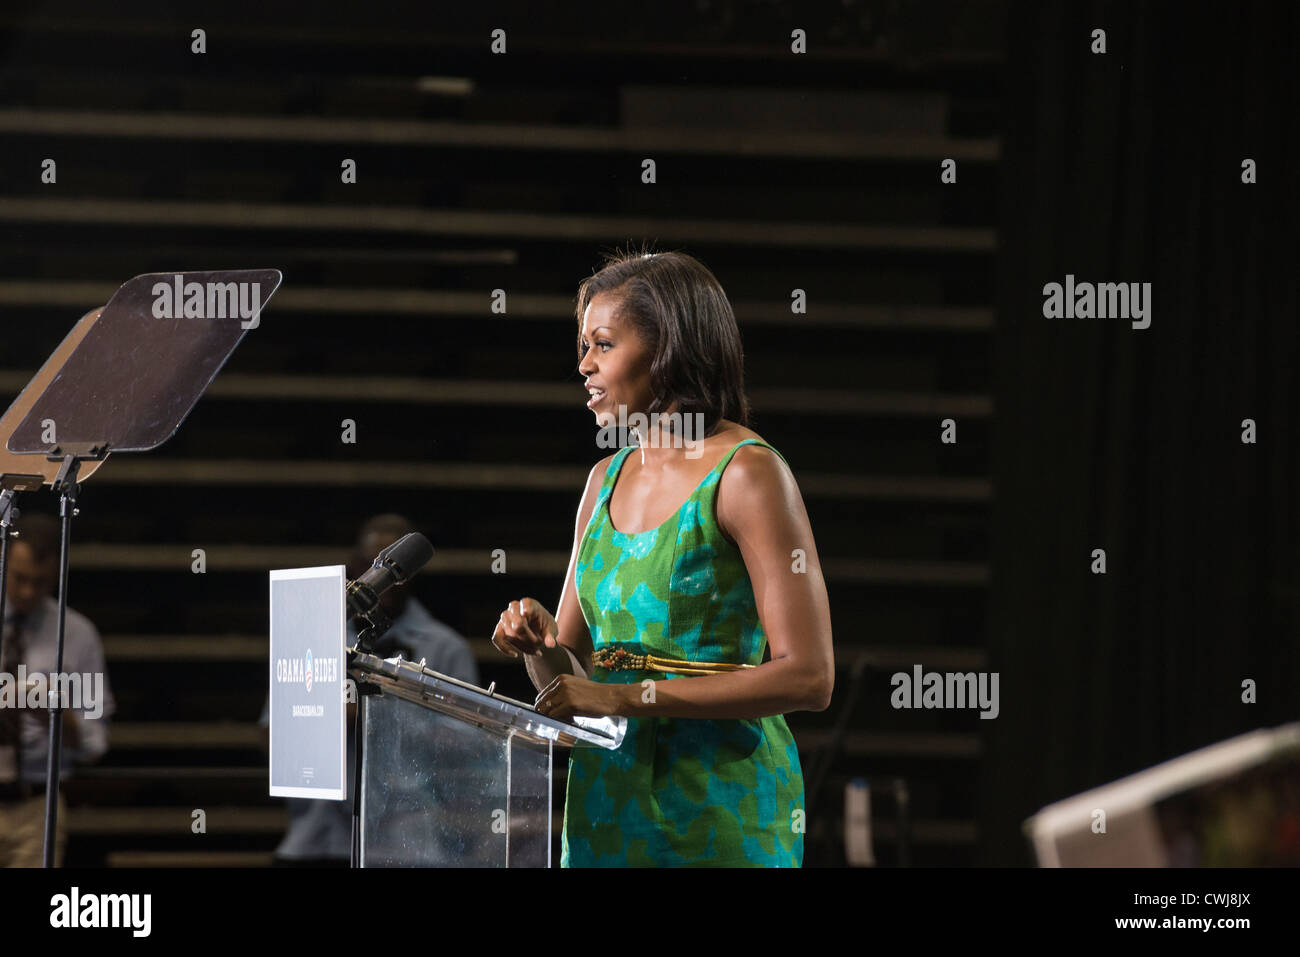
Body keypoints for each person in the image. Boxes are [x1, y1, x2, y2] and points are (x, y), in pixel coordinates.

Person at [491, 247, 835, 867]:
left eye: (602, 344)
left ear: (668, 351)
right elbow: (575, 680)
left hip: (717, 811)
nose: (583, 364)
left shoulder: (747, 472)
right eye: (582, 346)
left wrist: (625, 698)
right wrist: (541, 647)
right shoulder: (603, 479)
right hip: (606, 809)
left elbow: (809, 677)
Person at [259, 513, 477, 865]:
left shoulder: (445, 648)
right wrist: (331, 714)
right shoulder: (313, 636)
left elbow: (469, 748)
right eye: (373, 563)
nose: (387, 582)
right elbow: (273, 737)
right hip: (320, 840)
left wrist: (385, 714)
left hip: (409, 841)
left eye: (396, 570)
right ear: (356, 566)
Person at [0, 512, 115, 867]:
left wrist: (55, 713)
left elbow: (95, 743)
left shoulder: (78, 634)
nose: (28, 592)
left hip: (36, 807)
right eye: (19, 579)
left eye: (41, 582)